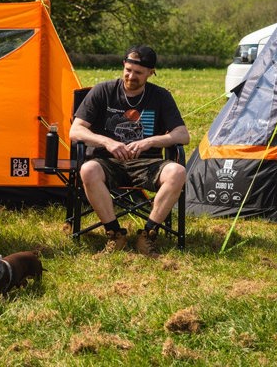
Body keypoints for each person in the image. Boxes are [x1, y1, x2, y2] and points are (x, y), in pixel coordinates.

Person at [69, 45, 190, 256]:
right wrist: (107, 142)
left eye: (138, 73)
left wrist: (150, 141)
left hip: (148, 163)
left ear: (151, 73)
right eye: (128, 70)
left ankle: (148, 234)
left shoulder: (160, 96)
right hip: (109, 162)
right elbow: (75, 130)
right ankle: (115, 234)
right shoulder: (103, 91)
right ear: (123, 66)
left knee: (178, 172)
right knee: (88, 170)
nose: (131, 76)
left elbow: (182, 135)